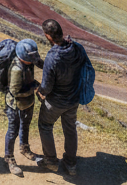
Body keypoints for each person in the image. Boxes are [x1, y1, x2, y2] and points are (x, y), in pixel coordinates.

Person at [34, 18, 86, 176]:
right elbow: (66, 67)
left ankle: (50, 161)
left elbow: (47, 86)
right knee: (70, 129)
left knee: (45, 125)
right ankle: (71, 164)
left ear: (48, 36)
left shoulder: (52, 57)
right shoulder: (75, 47)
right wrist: (43, 64)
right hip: (73, 99)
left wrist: (39, 90)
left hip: (56, 102)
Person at [3, 38, 41, 176]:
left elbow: (29, 80)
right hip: (15, 105)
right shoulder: (16, 70)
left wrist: (35, 85)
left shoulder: (28, 63)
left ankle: (24, 148)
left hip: (27, 102)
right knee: (13, 131)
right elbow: (15, 91)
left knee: (25, 125)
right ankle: (9, 158)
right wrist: (34, 88)